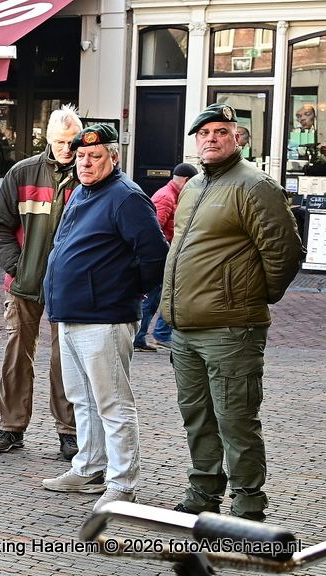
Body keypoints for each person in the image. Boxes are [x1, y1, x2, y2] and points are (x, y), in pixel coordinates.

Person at [161, 103, 304, 521]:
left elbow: (285, 251)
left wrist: (253, 300)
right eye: (204, 133)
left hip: (229, 329)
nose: (211, 139)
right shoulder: (192, 187)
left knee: (236, 420)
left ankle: (247, 503)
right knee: (198, 418)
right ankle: (203, 492)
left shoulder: (255, 185)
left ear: (237, 137)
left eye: (221, 132)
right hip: (184, 329)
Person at [41, 124, 168, 511]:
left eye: (95, 156)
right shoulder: (81, 191)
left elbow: (154, 254)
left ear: (114, 157)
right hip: (70, 312)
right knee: (81, 398)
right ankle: (89, 466)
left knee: (112, 402)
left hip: (105, 316)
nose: (86, 162)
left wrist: (130, 292)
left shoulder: (126, 197)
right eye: (80, 156)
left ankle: (122, 481)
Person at [0, 104, 82, 459]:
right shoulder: (23, 173)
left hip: (70, 287)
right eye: (60, 142)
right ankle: (11, 427)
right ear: (48, 139)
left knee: (66, 360)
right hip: (24, 284)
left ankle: (68, 431)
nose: (67, 150)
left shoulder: (90, 173)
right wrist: (18, 266)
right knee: (16, 356)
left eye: (72, 142)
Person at [134, 162, 197, 351]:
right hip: (161, 258)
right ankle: (139, 337)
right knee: (152, 298)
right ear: (186, 180)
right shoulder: (165, 197)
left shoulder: (174, 196)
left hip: (168, 256)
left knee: (164, 296)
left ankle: (159, 335)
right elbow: (154, 229)